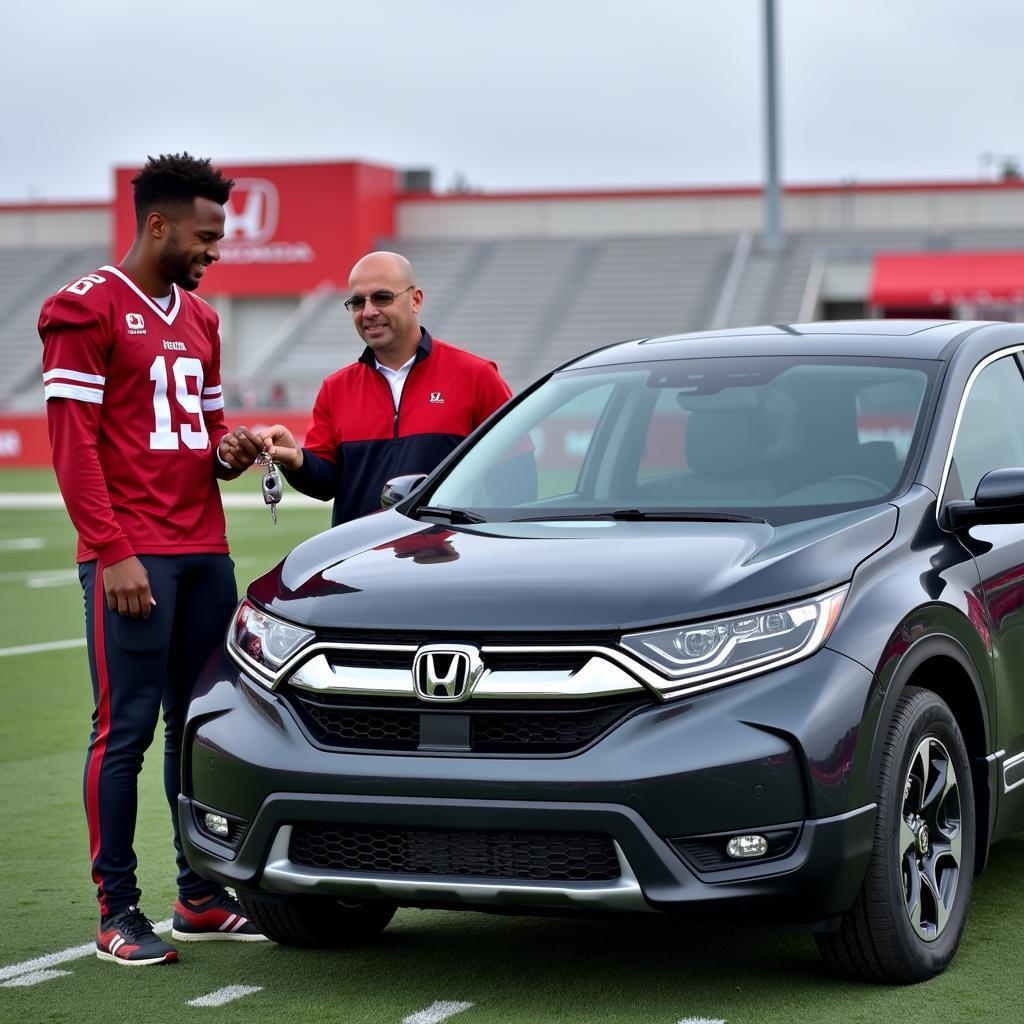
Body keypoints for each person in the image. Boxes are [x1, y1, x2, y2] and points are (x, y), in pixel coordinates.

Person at [38, 153, 266, 967]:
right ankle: (116, 910)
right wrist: (112, 552)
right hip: (134, 555)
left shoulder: (202, 319)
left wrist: (231, 450)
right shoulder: (86, 306)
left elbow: (203, 439)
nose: (215, 252)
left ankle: (198, 897)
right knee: (125, 730)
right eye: (205, 237)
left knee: (195, 730)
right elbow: (73, 449)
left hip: (204, 547)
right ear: (159, 225)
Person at [259, 251, 512, 525]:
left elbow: (515, 477)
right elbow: (325, 485)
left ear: (415, 300)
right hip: (360, 559)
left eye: (382, 298)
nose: (368, 312)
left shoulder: (476, 376)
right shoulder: (336, 389)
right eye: (357, 302)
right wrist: (296, 459)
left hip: (449, 559)